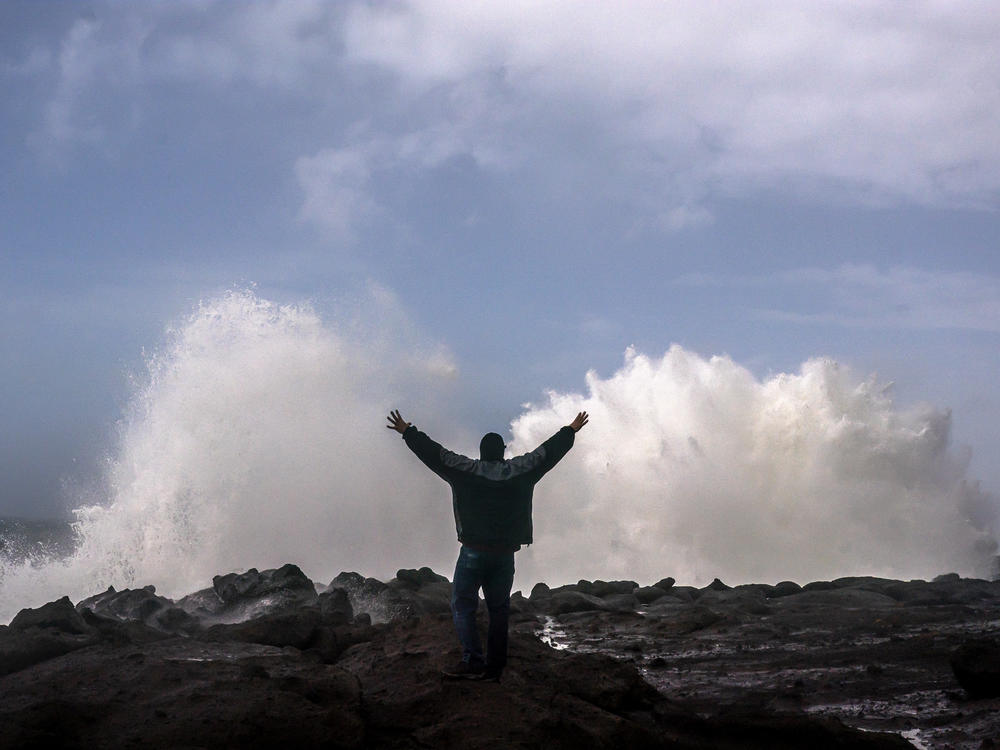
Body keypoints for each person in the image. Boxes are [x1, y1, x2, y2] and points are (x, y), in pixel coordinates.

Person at [386, 408, 589, 681]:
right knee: (499, 611)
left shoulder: (464, 470)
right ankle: (494, 669)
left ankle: (473, 660)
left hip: (473, 552)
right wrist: (570, 430)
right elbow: (546, 453)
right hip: (505, 555)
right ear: (502, 452)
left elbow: (434, 453)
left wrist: (407, 432)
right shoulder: (521, 471)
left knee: (462, 606)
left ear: (481, 452)